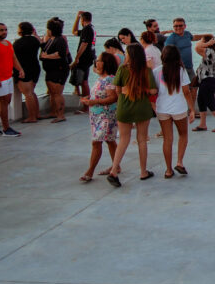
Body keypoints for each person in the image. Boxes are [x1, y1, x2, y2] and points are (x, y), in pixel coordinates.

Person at [107, 44, 158, 187]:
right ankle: (143, 172)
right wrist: (142, 90)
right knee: (142, 140)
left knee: (123, 139)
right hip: (142, 107)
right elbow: (153, 91)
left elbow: (117, 90)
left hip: (124, 107)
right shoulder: (146, 70)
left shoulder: (122, 70)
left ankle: (114, 171)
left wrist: (126, 91)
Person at [154, 45, 195, 179]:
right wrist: (192, 109)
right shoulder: (181, 71)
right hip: (178, 108)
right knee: (183, 135)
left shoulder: (157, 71)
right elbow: (186, 91)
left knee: (167, 139)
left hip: (162, 108)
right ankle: (179, 162)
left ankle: (168, 169)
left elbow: (154, 92)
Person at [79, 52, 119, 182]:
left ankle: (90, 171)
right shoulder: (101, 78)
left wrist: (93, 102)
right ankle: (116, 165)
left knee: (97, 141)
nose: (96, 62)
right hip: (96, 115)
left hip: (106, 115)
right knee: (110, 140)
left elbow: (113, 97)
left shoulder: (109, 79)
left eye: (99, 60)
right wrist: (89, 99)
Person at [39, 18, 71, 123]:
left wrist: (47, 56)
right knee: (53, 93)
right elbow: (44, 47)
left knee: (57, 93)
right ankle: (53, 112)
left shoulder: (60, 40)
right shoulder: (52, 39)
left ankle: (61, 115)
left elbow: (60, 54)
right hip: (51, 70)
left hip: (59, 70)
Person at [12, 23, 42, 123]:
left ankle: (32, 117)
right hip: (35, 67)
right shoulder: (35, 40)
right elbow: (42, 43)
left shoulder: (17, 43)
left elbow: (12, 56)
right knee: (32, 92)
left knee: (28, 94)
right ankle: (37, 114)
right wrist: (35, 34)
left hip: (23, 69)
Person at [193, 35, 215, 132]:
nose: (201, 42)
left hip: (208, 80)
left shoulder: (209, 51)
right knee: (201, 101)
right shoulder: (212, 51)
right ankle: (202, 124)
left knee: (210, 103)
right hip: (206, 80)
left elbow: (196, 47)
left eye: (202, 41)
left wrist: (205, 43)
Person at [69, 11, 97, 99]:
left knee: (83, 81)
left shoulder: (87, 29)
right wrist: (77, 18)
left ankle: (85, 104)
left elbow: (84, 44)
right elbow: (74, 31)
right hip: (90, 56)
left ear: (82, 19)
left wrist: (77, 58)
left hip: (85, 57)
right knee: (82, 79)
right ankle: (78, 92)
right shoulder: (91, 28)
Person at [164, 18, 199, 83]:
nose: (178, 28)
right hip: (178, 69)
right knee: (184, 89)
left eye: (180, 25)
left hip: (189, 67)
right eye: (176, 26)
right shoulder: (171, 39)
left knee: (194, 85)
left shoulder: (187, 34)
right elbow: (166, 55)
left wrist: (207, 36)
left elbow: (194, 38)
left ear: (185, 26)